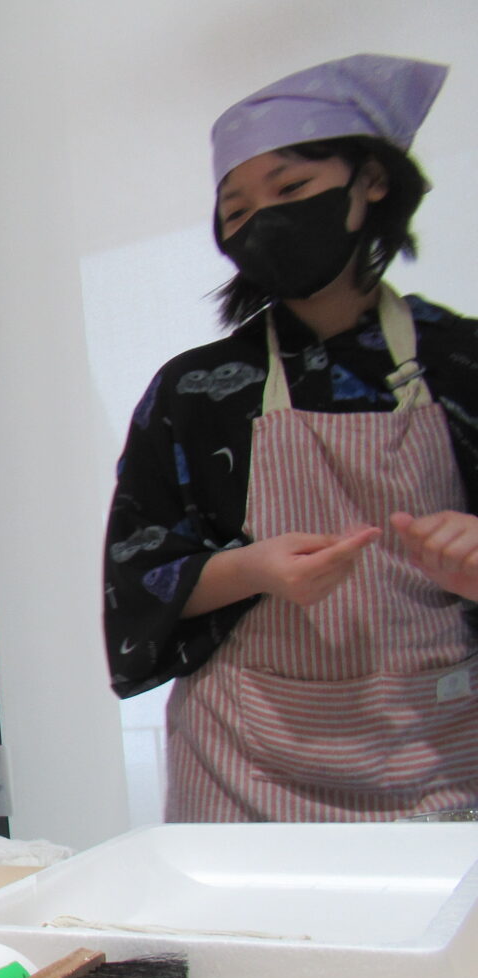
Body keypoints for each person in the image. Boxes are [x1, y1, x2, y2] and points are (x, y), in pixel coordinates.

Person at [104, 53, 478, 822]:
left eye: (291, 190)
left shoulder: (463, 362)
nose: (262, 221)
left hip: (441, 756)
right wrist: (251, 569)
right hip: (246, 764)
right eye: (237, 209)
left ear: (371, 180)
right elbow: (137, 584)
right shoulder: (196, 392)